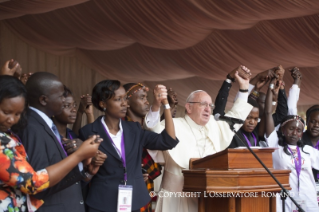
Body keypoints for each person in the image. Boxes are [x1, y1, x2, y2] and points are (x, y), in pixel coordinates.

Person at [145, 66, 254, 212]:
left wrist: (244, 88)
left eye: (210, 105)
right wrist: (156, 105)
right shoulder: (173, 125)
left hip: (208, 200)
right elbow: (152, 130)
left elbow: (237, 116)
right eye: (203, 104)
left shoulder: (215, 126)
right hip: (176, 199)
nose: (208, 109)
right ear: (188, 108)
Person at [0, 75, 102, 212]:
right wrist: (79, 156)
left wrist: (83, 167)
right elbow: (35, 183)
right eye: (61, 97)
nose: (12, 120)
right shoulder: (31, 127)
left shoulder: (19, 132)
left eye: (18, 114)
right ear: (43, 99)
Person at [79, 80, 179, 212]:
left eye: (125, 99)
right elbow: (80, 173)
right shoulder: (88, 132)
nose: (124, 103)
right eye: (118, 99)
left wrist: (165, 105)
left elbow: (169, 141)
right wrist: (92, 162)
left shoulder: (135, 129)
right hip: (102, 202)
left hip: (134, 201)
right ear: (103, 103)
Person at [264, 77, 319, 212]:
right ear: (282, 131)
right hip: (285, 199)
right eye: (291, 129)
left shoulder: (308, 150)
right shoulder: (275, 146)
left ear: (301, 133)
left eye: (299, 130)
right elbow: (267, 113)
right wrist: (271, 86)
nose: (295, 133)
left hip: (308, 198)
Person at [123, 83, 162, 212]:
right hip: (126, 188)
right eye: (142, 98)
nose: (147, 102)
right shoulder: (122, 128)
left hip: (145, 186)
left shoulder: (142, 128)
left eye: (146, 98)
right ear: (127, 102)